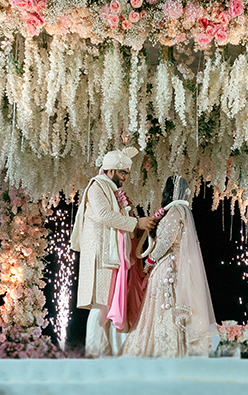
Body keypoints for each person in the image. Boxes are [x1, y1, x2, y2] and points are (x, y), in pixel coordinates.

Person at [70, 147, 157, 357]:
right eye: (123, 173)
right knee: (101, 309)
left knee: (111, 310)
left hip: (114, 258)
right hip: (101, 257)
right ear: (110, 170)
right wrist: (136, 222)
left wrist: (137, 226)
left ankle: (107, 359)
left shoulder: (112, 189)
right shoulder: (97, 186)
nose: (125, 177)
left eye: (127, 173)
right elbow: (103, 215)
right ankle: (93, 358)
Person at [120, 176, 217, 357]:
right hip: (176, 265)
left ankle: (166, 350)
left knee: (166, 307)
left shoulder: (175, 210)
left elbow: (166, 241)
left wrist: (150, 262)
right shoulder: (182, 210)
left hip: (169, 267)